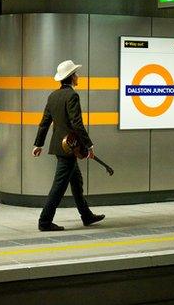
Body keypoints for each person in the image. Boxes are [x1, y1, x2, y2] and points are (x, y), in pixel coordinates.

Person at [32, 60, 105, 232]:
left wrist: (38, 144)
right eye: (76, 73)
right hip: (69, 147)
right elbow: (77, 123)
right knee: (59, 186)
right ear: (71, 77)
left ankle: (86, 215)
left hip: (60, 146)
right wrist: (89, 145)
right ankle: (44, 221)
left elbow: (44, 123)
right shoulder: (72, 96)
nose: (78, 76)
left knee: (76, 181)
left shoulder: (53, 96)